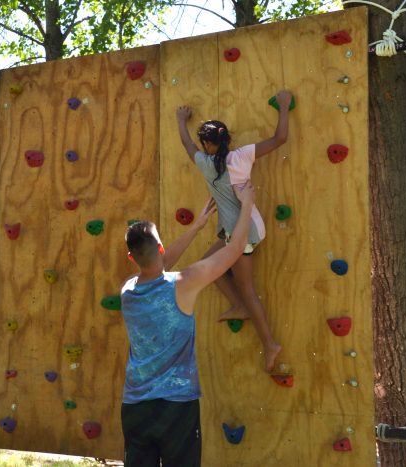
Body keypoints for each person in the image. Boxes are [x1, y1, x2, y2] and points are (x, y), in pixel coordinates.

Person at [120, 184, 255, 467]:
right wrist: (246, 204)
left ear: (131, 258)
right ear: (160, 247)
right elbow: (237, 247)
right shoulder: (183, 284)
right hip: (176, 407)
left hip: (135, 407)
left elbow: (158, 265)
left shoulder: (128, 292)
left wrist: (195, 228)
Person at [175, 90, 293, 373]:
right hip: (248, 225)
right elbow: (280, 139)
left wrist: (181, 120)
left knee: (247, 289)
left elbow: (186, 143)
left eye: (204, 143)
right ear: (226, 139)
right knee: (208, 267)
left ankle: (270, 344)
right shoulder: (242, 156)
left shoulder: (204, 163)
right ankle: (238, 305)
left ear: (207, 143)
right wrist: (285, 107)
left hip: (242, 235)